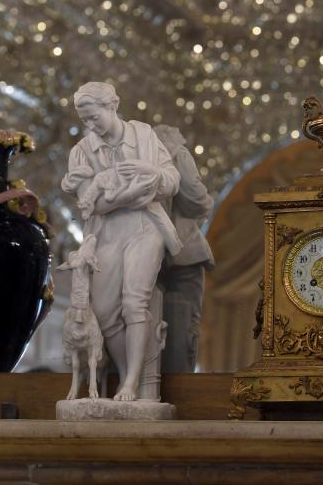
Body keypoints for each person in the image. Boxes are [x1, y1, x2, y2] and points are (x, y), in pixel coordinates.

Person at [61, 82, 182, 402]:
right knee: (103, 311)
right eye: (84, 120)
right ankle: (131, 373)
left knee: (134, 301)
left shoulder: (143, 135)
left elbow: (171, 182)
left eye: (94, 117)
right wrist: (133, 193)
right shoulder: (81, 151)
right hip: (106, 233)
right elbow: (93, 206)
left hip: (145, 227)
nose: (90, 125)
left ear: (112, 106)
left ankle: (130, 383)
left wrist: (148, 171)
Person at [153, 124, 216, 373]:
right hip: (183, 254)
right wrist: (208, 203)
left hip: (147, 253)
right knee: (184, 326)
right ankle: (180, 387)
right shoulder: (176, 152)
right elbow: (195, 198)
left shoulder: (136, 155)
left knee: (147, 327)